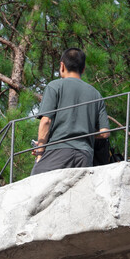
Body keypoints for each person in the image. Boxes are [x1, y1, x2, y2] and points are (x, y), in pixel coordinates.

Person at [31, 48, 110, 176]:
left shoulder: (54, 86)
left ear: (62, 66)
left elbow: (46, 121)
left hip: (57, 152)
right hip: (85, 156)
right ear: (83, 69)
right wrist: (82, 134)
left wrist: (40, 153)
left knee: (35, 184)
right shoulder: (96, 94)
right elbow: (105, 133)